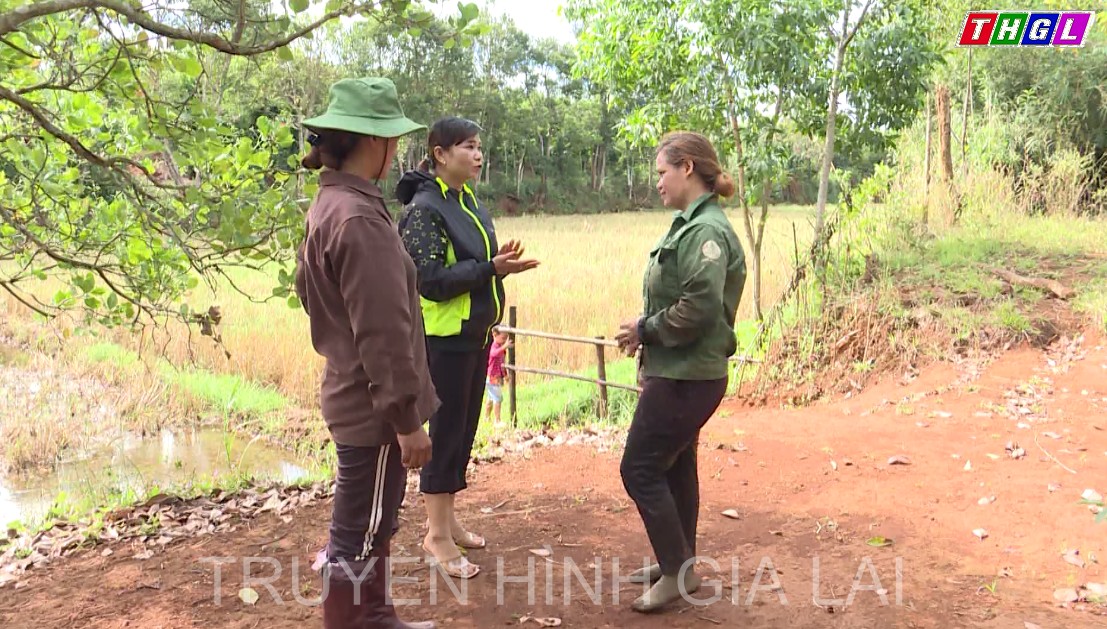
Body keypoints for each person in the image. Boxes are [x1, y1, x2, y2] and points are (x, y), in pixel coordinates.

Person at [293, 77, 437, 629]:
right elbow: (383, 332)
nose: (396, 149)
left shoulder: (331, 205)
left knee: (367, 522)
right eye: (392, 139)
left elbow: (314, 299)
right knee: (360, 532)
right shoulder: (358, 219)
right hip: (375, 409)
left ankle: (376, 616)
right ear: (372, 143)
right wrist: (406, 420)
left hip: (352, 394)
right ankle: (357, 622)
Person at [396, 117, 539, 579]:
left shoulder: (465, 200)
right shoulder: (424, 208)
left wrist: (498, 267)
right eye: (469, 147)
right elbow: (430, 281)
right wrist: (491, 269)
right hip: (444, 340)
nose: (478, 155)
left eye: (480, 147)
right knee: (443, 435)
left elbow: (476, 267)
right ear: (440, 153)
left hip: (474, 337)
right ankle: (435, 536)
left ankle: (448, 520)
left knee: (461, 434)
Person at [614, 131, 747, 614]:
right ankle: (679, 562)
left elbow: (699, 309)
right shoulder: (687, 225)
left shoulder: (705, 232)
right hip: (681, 370)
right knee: (674, 464)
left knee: (639, 467)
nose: (658, 184)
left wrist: (646, 328)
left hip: (688, 375)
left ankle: (675, 571)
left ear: (687, 168)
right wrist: (646, 334)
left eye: (661, 172)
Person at [484, 327, 512, 426]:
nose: (505, 341)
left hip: (496, 376)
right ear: (495, 335)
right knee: (497, 398)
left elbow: (502, 363)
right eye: (503, 338)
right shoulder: (495, 347)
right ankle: (497, 420)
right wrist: (504, 346)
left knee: (491, 398)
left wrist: (505, 375)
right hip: (493, 377)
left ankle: (487, 417)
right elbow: (493, 354)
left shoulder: (501, 350)